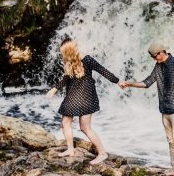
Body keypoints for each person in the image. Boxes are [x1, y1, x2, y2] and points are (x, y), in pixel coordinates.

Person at [46, 37, 122, 166]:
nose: (62, 54)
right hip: (73, 96)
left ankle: (102, 153)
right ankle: (70, 149)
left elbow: (103, 71)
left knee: (84, 128)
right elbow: (66, 79)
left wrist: (118, 81)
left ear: (68, 50)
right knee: (65, 124)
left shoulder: (87, 60)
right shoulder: (69, 62)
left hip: (86, 97)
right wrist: (55, 88)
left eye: (63, 52)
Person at [120, 41, 174, 176]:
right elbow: (147, 82)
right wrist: (130, 84)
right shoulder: (158, 66)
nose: (153, 59)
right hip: (165, 109)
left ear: (161, 52)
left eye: (154, 56)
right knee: (170, 141)